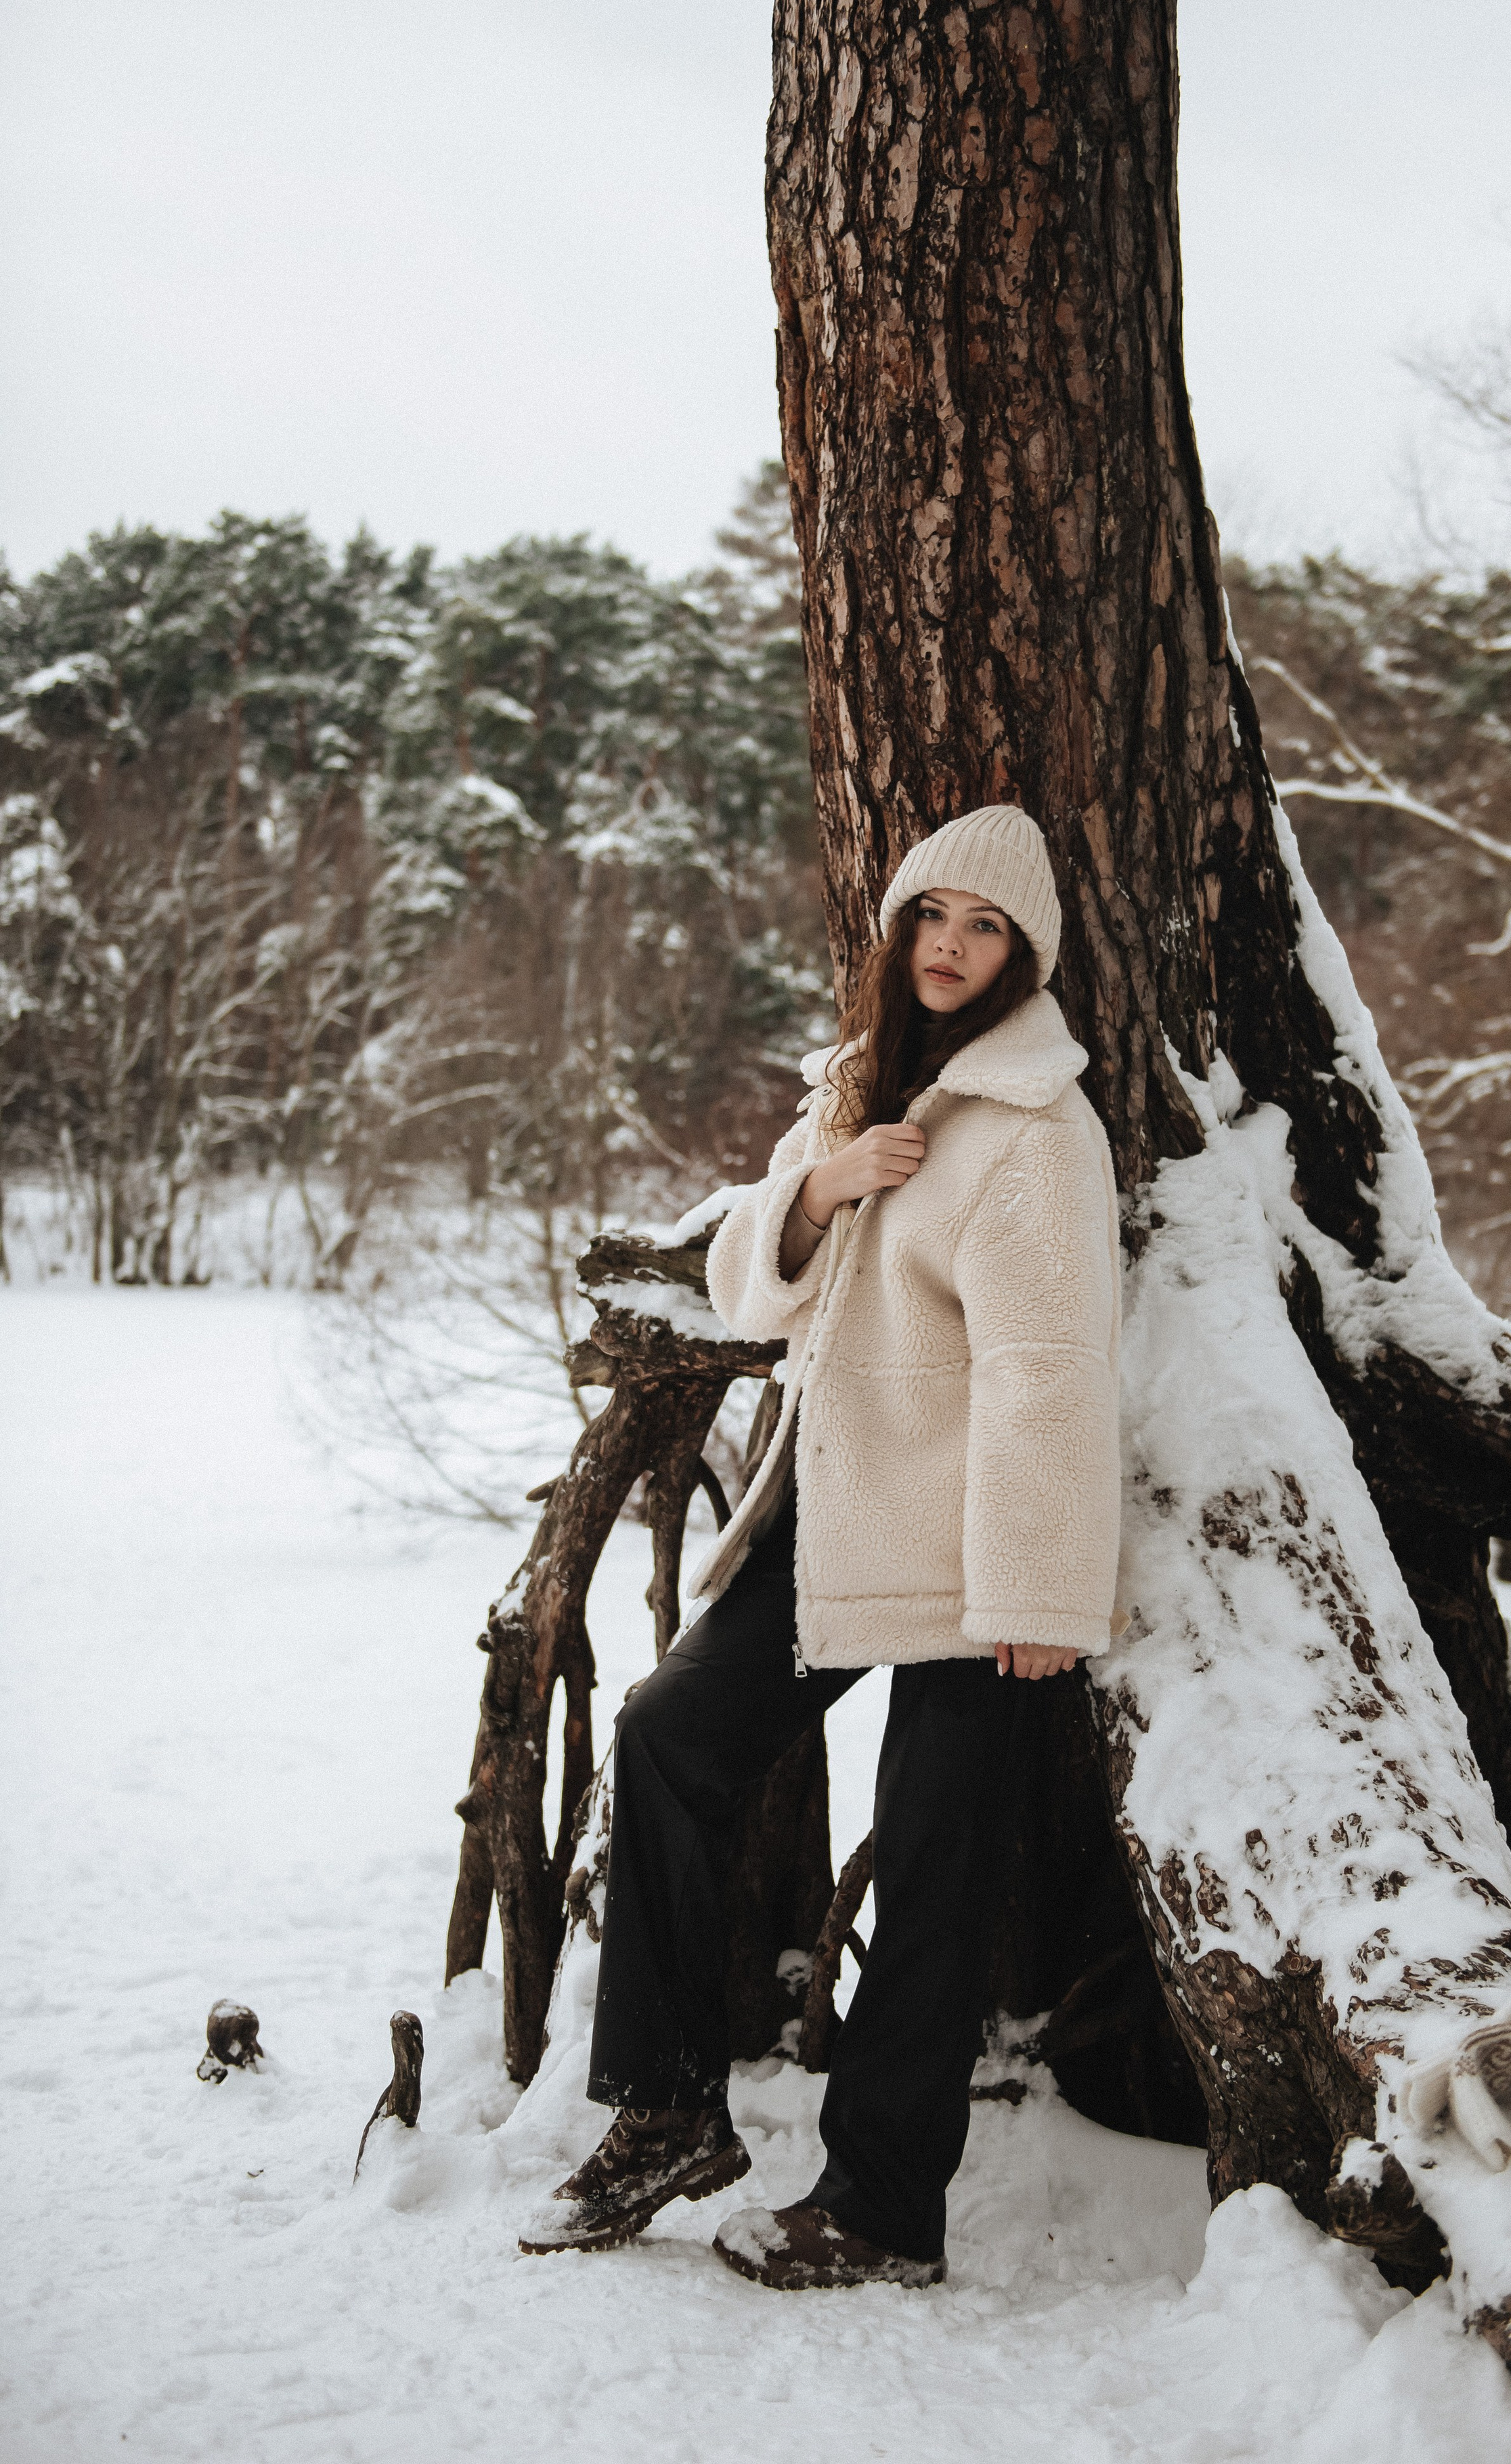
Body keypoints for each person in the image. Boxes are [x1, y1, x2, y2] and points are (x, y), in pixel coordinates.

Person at [519, 803, 1122, 2287]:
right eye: (933, 918)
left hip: (980, 1561)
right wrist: (819, 1186)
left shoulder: (1038, 1124)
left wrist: (1037, 1588)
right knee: (666, 1737)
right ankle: (663, 2113)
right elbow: (753, 1287)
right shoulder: (858, 1085)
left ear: (1021, 956)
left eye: (984, 931)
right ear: (897, 922)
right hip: (842, 1513)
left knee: (934, 1867)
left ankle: (879, 2206)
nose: (951, 949)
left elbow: (1049, 1364)